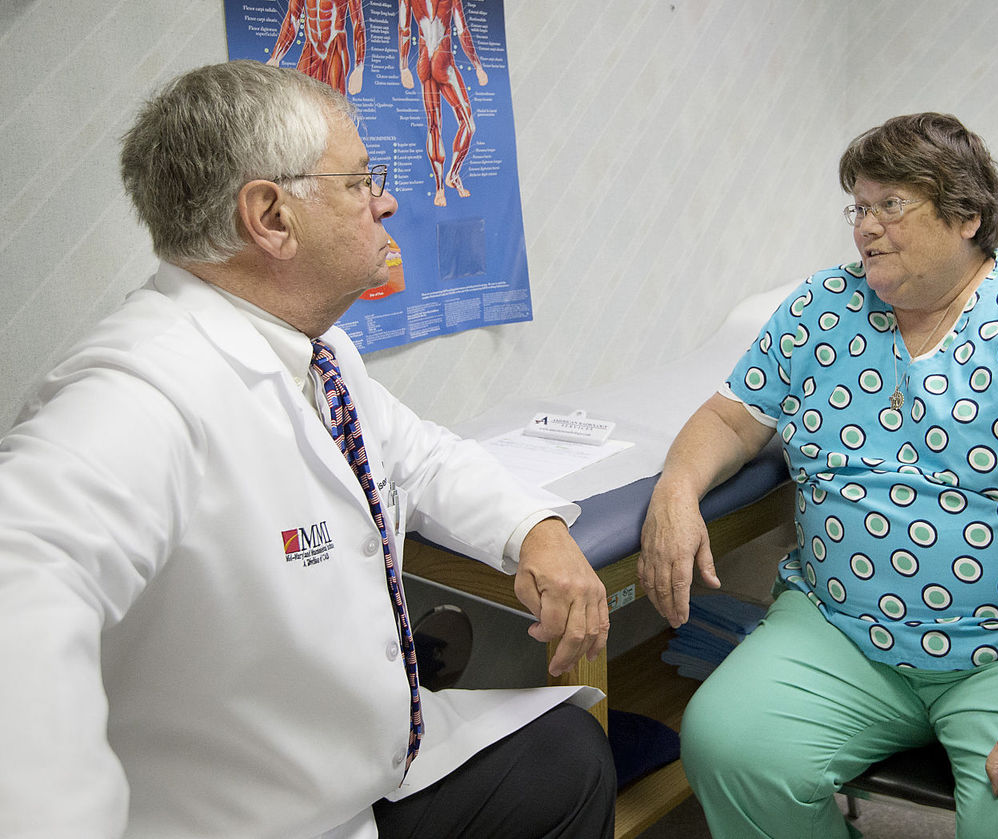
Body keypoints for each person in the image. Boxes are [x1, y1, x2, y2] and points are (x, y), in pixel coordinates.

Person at [0, 61, 616, 838]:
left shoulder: (312, 350)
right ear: (272, 217)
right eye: (360, 181)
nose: (385, 199)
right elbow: (20, 573)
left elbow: (418, 452)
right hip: (254, 819)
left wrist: (534, 529)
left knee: (568, 759)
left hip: (357, 772)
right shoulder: (140, 390)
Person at [639, 113, 998, 839]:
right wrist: (676, 487)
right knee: (731, 744)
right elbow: (732, 418)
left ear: (967, 217)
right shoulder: (821, 306)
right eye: (859, 206)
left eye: (891, 204)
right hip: (841, 628)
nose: (865, 227)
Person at [398, 0, 487, 206]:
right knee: (462, 124)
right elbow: (462, 30)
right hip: (442, 63)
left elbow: (404, 28)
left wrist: (404, 67)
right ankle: (449, 178)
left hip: (426, 64)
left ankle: (441, 187)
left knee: (435, 127)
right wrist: (477, 66)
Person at [268, 0, 366, 96]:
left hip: (334, 46)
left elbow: (358, 24)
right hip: (312, 47)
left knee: (333, 103)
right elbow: (293, 19)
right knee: (300, 97)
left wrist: (359, 68)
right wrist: (275, 57)